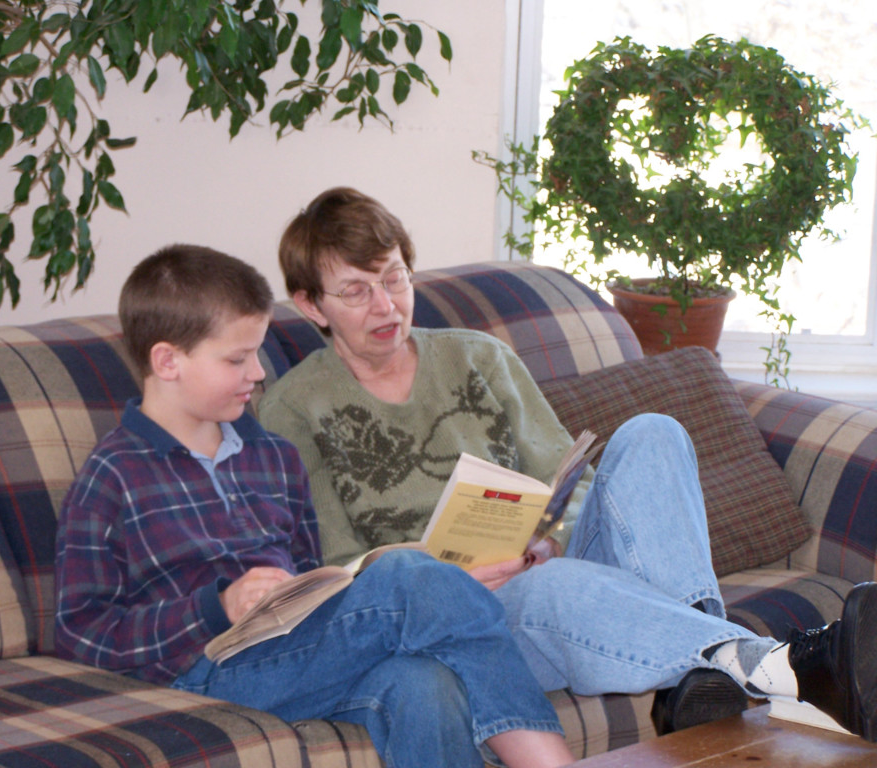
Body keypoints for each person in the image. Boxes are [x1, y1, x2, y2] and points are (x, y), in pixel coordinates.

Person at [257, 186, 877, 742]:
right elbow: (334, 568)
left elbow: (565, 475)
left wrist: (548, 538)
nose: (385, 306)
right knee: (548, 586)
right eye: (356, 292)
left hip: (547, 565)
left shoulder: (478, 357)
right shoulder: (293, 408)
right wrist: (449, 582)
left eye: (393, 279)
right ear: (311, 306)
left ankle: (694, 679)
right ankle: (766, 664)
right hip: (462, 622)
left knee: (653, 432)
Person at [53, 244, 579, 768]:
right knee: (409, 575)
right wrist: (218, 606)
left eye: (257, 354)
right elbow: (80, 633)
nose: (258, 373)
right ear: (167, 361)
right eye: (237, 359)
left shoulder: (274, 457)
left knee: (425, 682)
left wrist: (317, 587)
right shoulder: (114, 475)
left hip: (295, 656)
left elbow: (310, 571)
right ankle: (546, 761)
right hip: (201, 673)